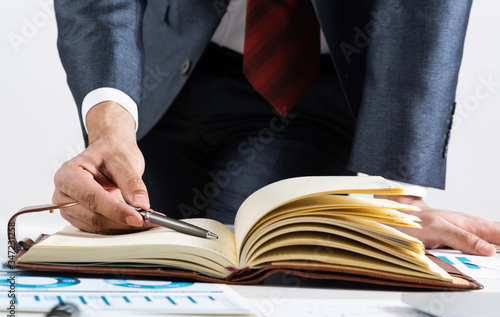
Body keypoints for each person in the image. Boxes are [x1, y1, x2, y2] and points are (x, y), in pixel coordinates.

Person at [52, 0, 499, 255]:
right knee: (124, 253)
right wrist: (110, 126)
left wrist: (390, 195)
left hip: (312, 88)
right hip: (163, 73)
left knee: (253, 265)